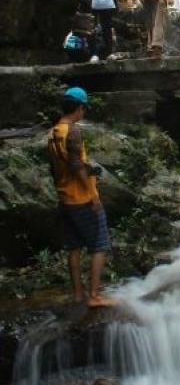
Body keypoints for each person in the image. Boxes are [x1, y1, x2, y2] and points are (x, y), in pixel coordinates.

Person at [47, 87, 114, 308]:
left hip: (65, 198)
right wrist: (93, 194)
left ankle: (78, 294)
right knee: (100, 243)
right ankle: (94, 296)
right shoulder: (73, 131)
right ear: (79, 108)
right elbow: (75, 165)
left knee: (73, 247)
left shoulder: (54, 131)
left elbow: (58, 167)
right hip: (81, 199)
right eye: (84, 108)